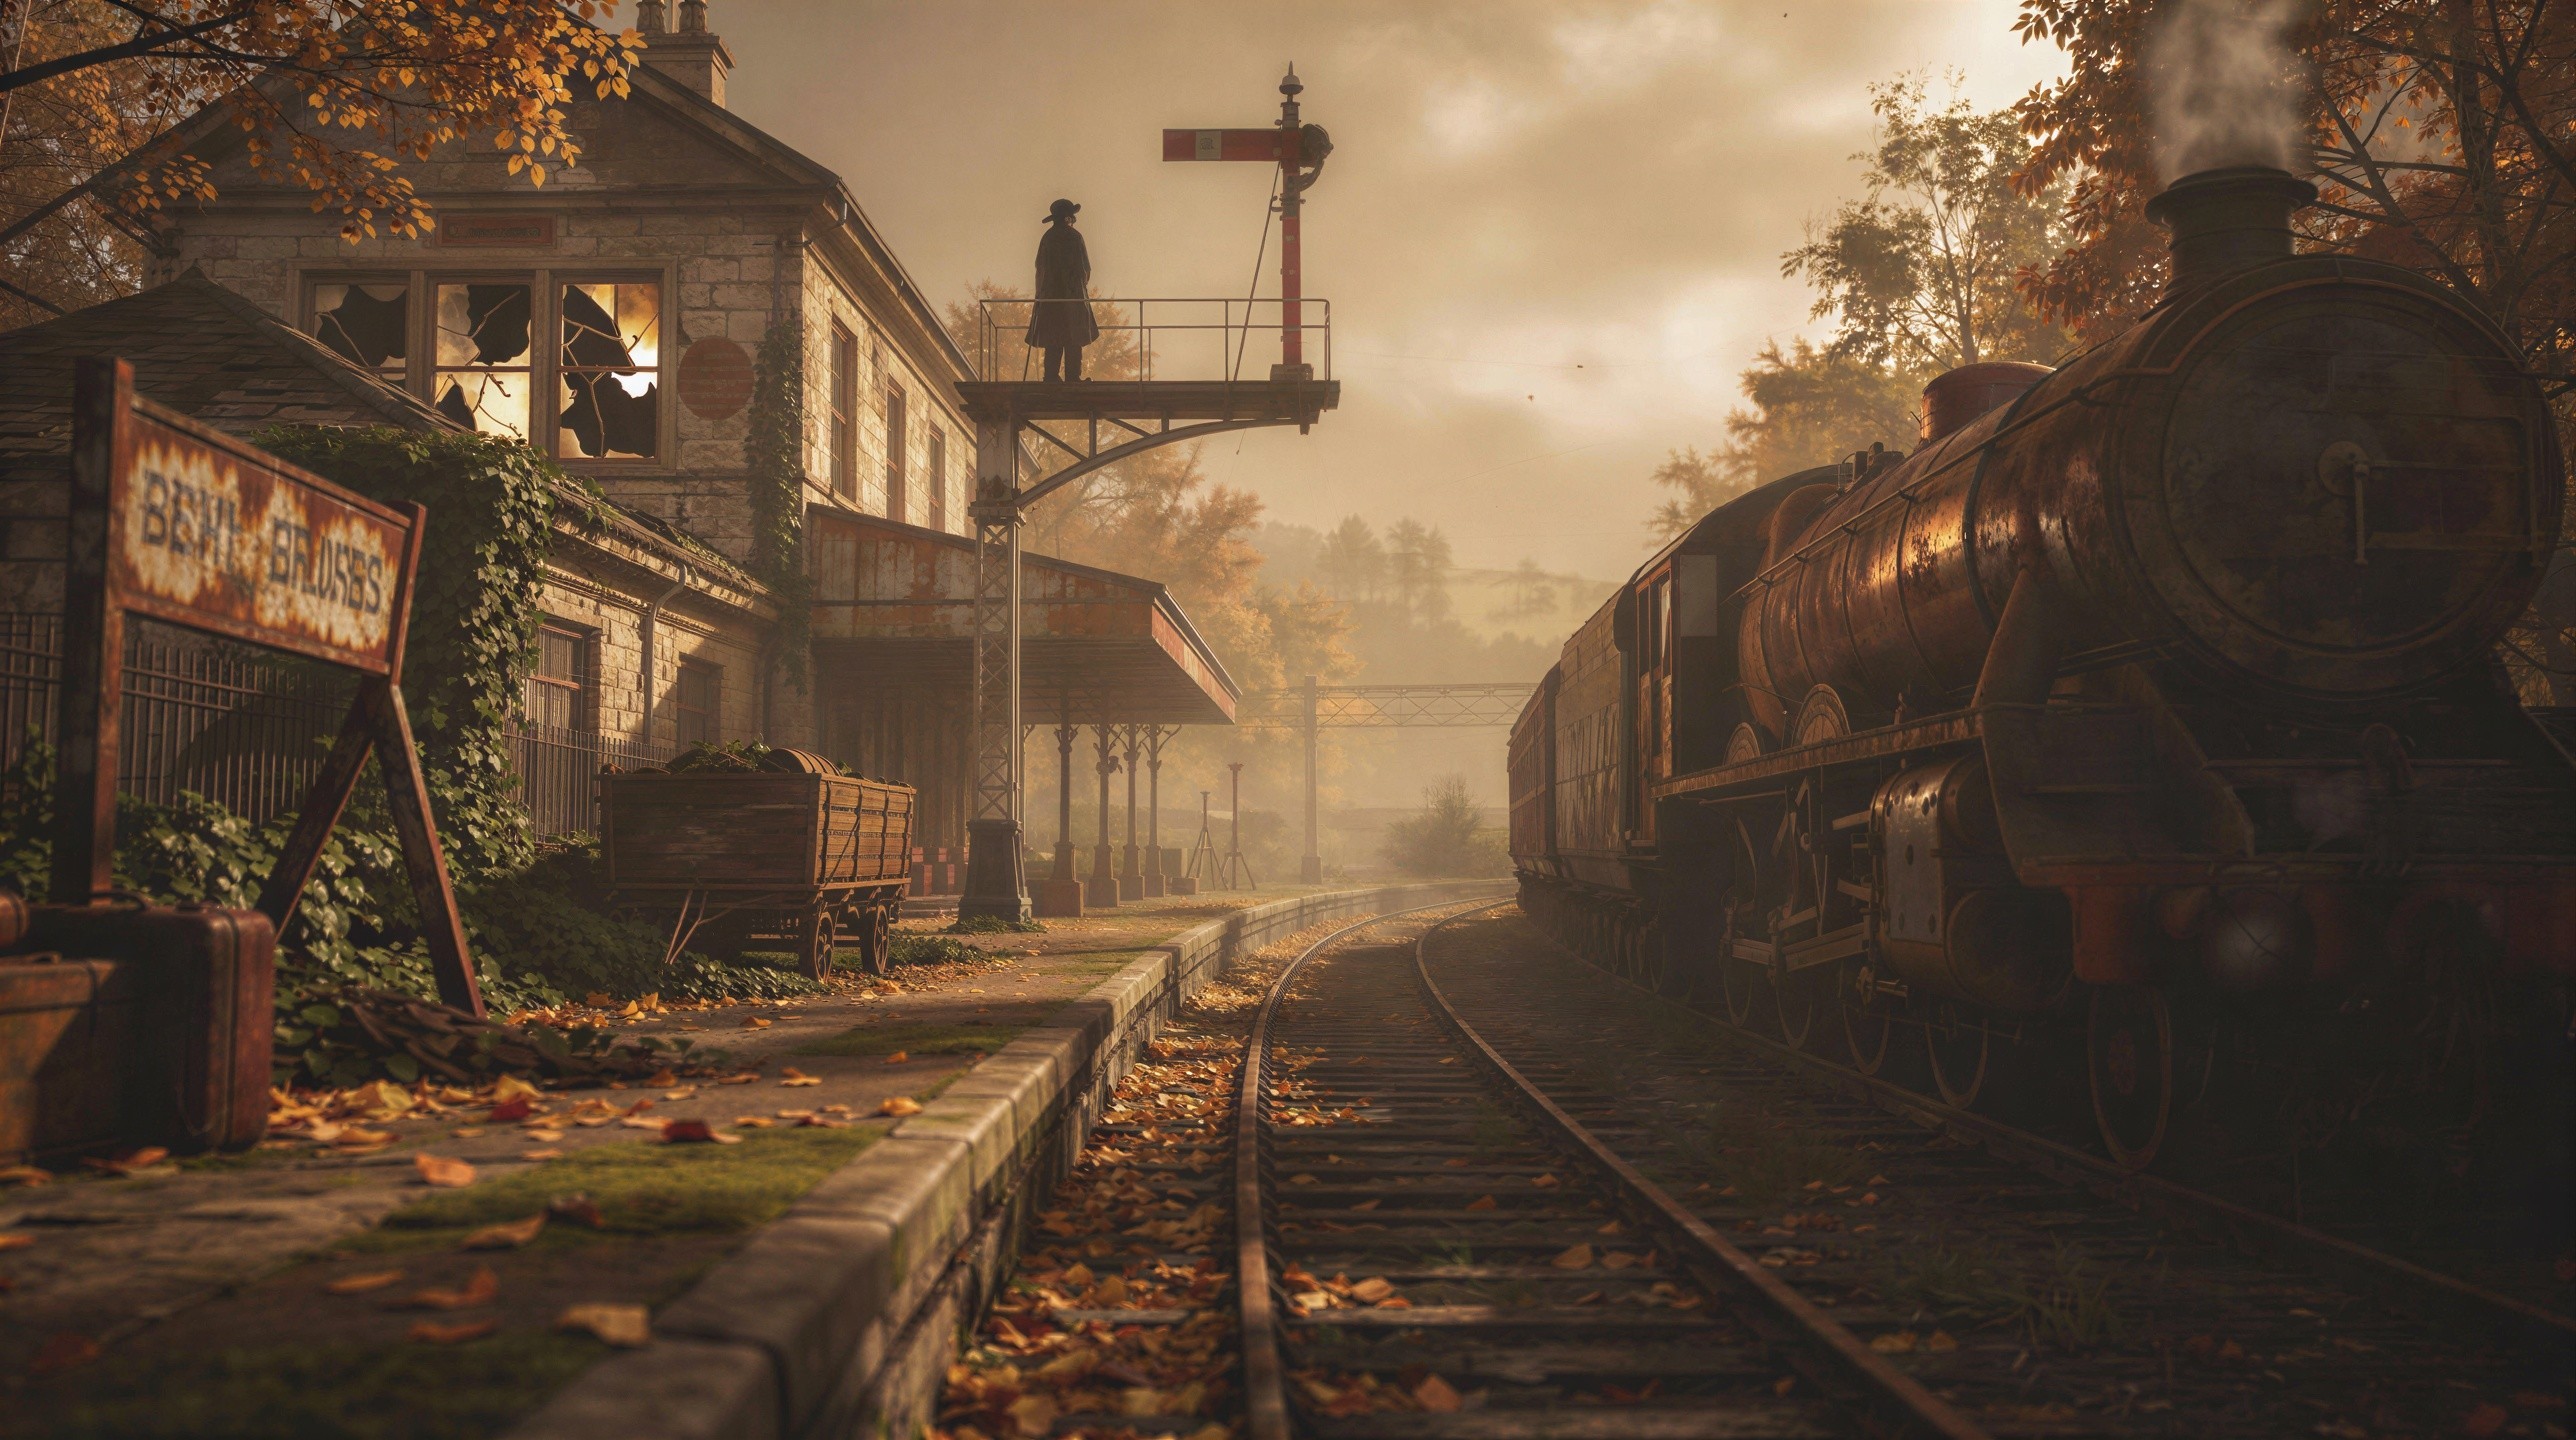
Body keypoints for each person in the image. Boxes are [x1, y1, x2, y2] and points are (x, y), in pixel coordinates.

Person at [1028, 198, 1098, 382]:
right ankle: (1073, 378)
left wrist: (1041, 295)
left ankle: (1050, 376)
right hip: (1073, 299)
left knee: (1053, 339)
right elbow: (1086, 270)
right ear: (1068, 218)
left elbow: (1039, 268)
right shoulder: (1075, 237)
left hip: (1050, 300)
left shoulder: (1047, 238)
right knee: (1074, 339)